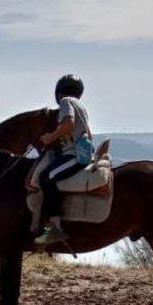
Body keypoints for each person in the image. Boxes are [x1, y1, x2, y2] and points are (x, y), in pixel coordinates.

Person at [33, 74, 96, 246]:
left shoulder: (66, 102)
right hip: (79, 152)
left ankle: (55, 228)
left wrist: (50, 137)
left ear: (59, 92)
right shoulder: (81, 106)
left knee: (46, 177)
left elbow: (68, 124)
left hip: (74, 156)